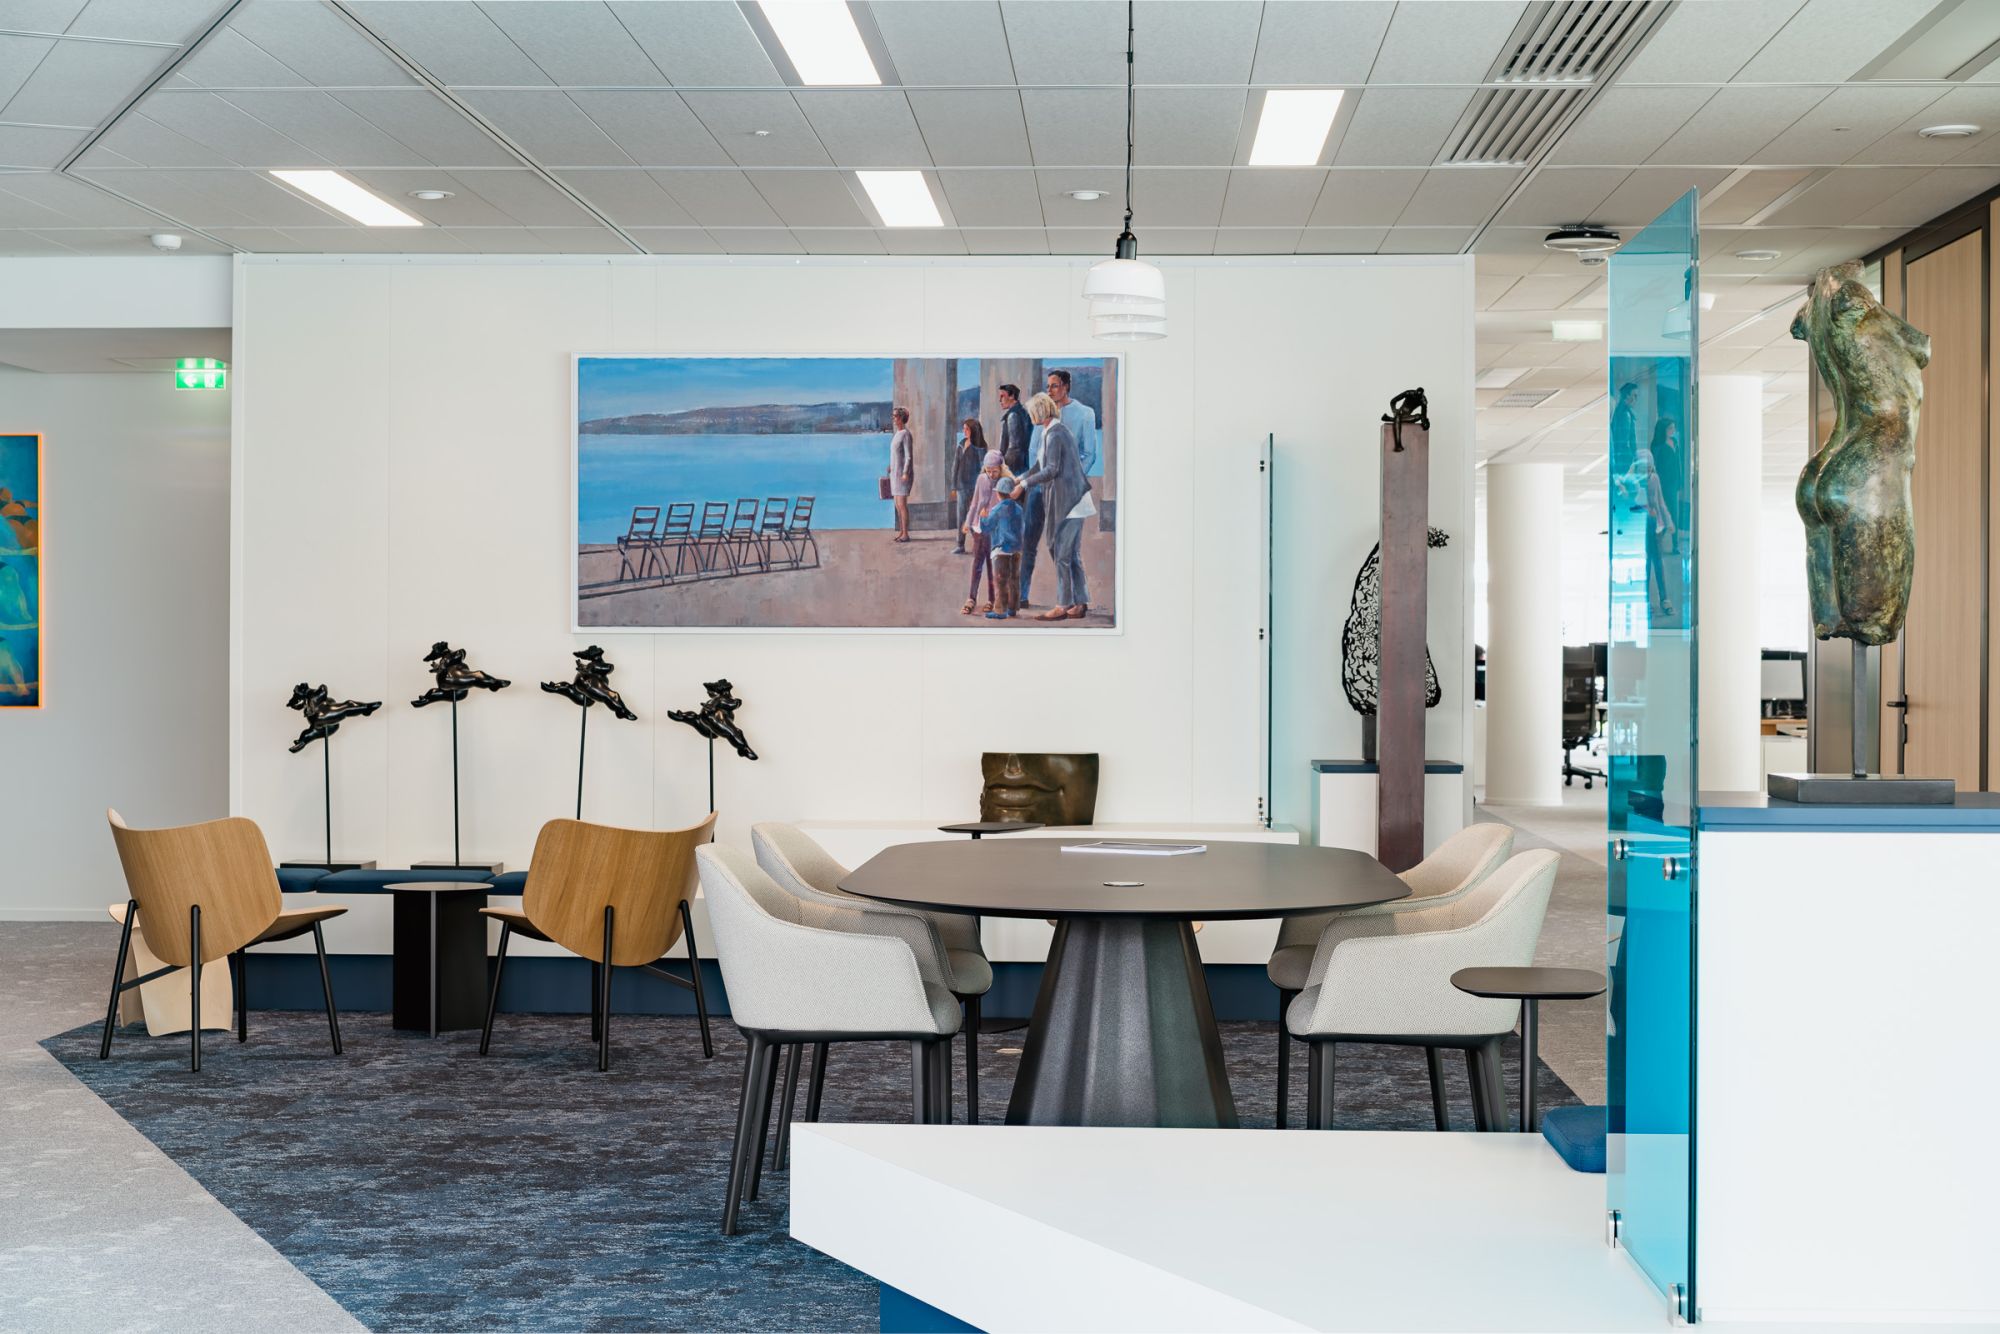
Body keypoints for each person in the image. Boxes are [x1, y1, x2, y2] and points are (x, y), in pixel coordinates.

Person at [1017, 391, 1090, 621]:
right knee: (1071, 554)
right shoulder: (1050, 431)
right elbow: (1040, 464)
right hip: (1071, 499)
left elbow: (1051, 469)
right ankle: (1080, 603)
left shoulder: (1056, 433)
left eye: (1032, 412)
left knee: (1061, 553)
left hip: (1070, 501)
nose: (1030, 416)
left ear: (1040, 411)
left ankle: (1062, 605)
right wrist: (1021, 477)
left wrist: (1024, 484)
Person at [960, 449, 1004, 615]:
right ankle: (971, 598)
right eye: (988, 470)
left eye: (994, 471)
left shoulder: (1003, 483)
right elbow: (974, 503)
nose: (991, 474)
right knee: (977, 563)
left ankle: (991, 599)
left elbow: (1004, 507)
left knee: (993, 566)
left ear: (1000, 468)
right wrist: (968, 522)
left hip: (994, 529)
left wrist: (992, 514)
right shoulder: (981, 479)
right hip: (979, 527)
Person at [984, 476, 1025, 619]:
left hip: (1001, 550)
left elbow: (987, 527)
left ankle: (1000, 610)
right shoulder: (1019, 509)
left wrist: (982, 518)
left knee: (1001, 581)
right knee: (1014, 579)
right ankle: (1013, 608)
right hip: (1017, 549)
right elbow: (1022, 528)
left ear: (998, 493)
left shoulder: (997, 509)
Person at [1046, 367, 1098, 474]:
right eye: (1048, 386)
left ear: (1065, 387)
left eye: (1054, 386)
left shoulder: (1085, 413)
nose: (1049, 391)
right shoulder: (1044, 414)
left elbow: (1090, 454)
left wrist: (1075, 478)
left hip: (1073, 479)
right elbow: (1034, 450)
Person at [950, 417, 988, 555]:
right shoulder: (961, 444)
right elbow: (955, 466)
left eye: (967, 429)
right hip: (961, 486)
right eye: (964, 428)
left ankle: (980, 543)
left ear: (973, 430)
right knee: (961, 516)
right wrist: (953, 486)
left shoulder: (980, 447)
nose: (964, 431)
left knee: (975, 516)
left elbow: (983, 468)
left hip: (974, 486)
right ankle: (960, 545)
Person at [886, 406, 914, 544]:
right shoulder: (897, 434)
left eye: (895, 416)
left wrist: (905, 472)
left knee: (902, 505)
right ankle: (902, 532)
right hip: (895, 473)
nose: (893, 418)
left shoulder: (906, 434)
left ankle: (906, 534)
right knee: (897, 504)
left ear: (902, 418)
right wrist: (890, 466)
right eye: (893, 416)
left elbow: (908, 456)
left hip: (903, 474)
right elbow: (895, 454)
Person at [996, 383, 1031, 474]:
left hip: (1013, 468)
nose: (1000, 400)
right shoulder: (1023, 413)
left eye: (1002, 396)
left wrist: (1002, 465)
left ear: (1011, 396)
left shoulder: (1013, 416)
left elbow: (1014, 448)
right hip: (1023, 466)